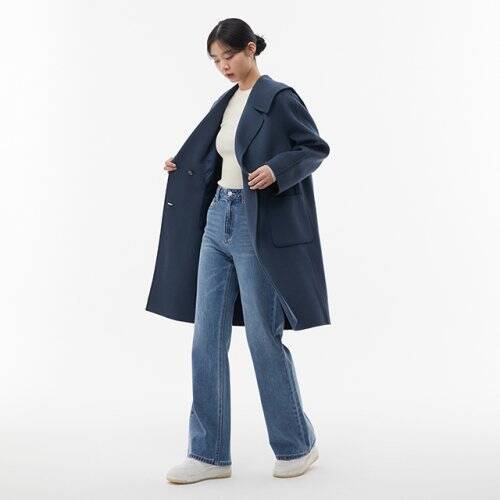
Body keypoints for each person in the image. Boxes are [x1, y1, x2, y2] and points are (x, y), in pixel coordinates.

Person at [164, 18, 324, 484]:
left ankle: (296, 445)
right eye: (216, 60)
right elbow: (219, 155)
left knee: (261, 336)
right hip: (219, 218)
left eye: (229, 56)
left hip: (257, 224)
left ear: (250, 48)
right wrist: (183, 166)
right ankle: (209, 454)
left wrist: (277, 170)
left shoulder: (279, 98)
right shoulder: (229, 100)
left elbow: (314, 147)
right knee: (206, 338)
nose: (223, 66)